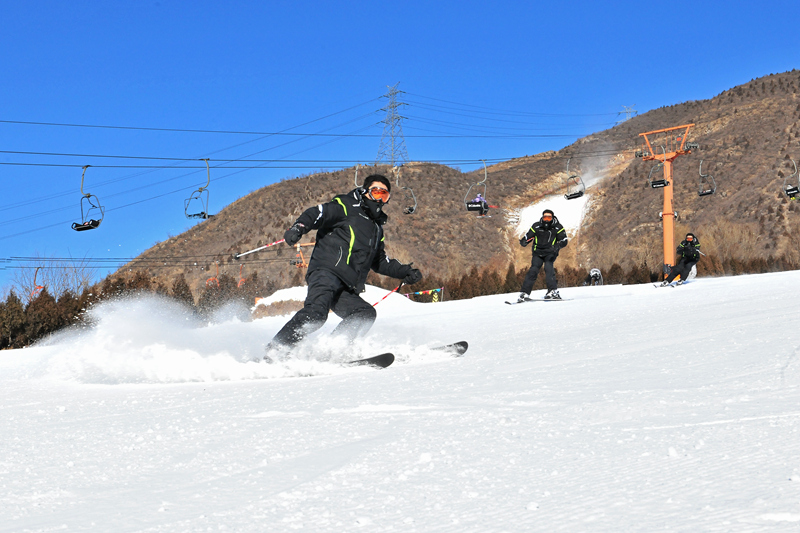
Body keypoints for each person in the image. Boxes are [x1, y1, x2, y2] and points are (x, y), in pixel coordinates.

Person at [267, 174, 423, 356]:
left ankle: (331, 352)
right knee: (316, 314)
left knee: (364, 314)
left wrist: (405, 271)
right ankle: (275, 351)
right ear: (365, 192)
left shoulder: (376, 229)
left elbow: (379, 262)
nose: (380, 198)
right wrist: (299, 226)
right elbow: (317, 213)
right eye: (376, 192)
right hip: (326, 272)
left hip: (346, 285)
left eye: (385, 195)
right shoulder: (346, 206)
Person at [518, 209, 568, 301]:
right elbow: (529, 236)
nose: (546, 220)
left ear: (552, 218)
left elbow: (564, 240)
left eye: (549, 217)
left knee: (548, 268)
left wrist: (557, 246)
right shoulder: (537, 226)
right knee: (533, 270)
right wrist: (524, 241)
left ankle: (552, 291)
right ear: (542, 217)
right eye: (545, 217)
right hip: (538, 252)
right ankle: (524, 293)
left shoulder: (557, 227)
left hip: (550, 252)